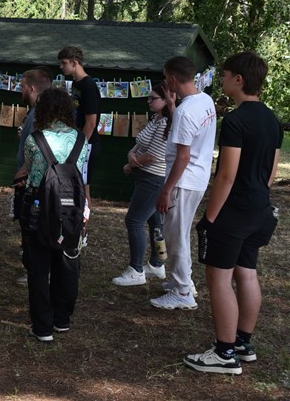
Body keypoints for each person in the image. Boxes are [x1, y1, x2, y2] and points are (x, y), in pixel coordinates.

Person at [184, 52, 282, 375]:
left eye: (225, 75)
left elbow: (226, 176)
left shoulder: (236, 121)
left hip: (234, 212)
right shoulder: (272, 120)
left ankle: (225, 353)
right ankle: (243, 343)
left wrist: (210, 218)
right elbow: (270, 172)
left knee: (220, 279)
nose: (222, 80)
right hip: (259, 208)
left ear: (238, 80)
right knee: (247, 272)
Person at [20, 88, 90, 341]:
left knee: (38, 267)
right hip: (71, 207)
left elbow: (29, 169)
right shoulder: (81, 139)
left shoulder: (34, 139)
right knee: (68, 260)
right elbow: (83, 171)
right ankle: (62, 319)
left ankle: (42, 327)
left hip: (38, 206)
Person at [151, 56, 217, 311]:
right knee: (181, 233)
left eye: (165, 78)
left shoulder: (186, 112)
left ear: (172, 79)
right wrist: (172, 104)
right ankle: (183, 281)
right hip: (197, 179)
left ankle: (183, 292)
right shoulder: (204, 100)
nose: (165, 82)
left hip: (183, 181)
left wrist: (166, 189)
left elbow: (183, 156)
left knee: (175, 236)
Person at [112, 83, 171, 287]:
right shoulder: (155, 119)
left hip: (153, 179)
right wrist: (131, 154)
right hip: (145, 176)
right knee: (155, 222)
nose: (148, 101)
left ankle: (136, 270)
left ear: (165, 100)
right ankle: (157, 263)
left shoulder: (166, 123)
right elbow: (140, 144)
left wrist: (131, 164)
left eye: (153, 98)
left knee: (134, 220)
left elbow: (153, 155)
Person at [12, 68, 53, 286]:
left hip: (31, 183)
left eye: (22, 86)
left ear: (32, 88)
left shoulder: (39, 114)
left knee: (32, 227)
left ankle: (36, 272)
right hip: (30, 180)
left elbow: (40, 149)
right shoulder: (37, 112)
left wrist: (24, 173)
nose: (20, 90)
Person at [58, 46, 100, 206]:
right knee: (74, 185)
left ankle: (84, 220)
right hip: (77, 141)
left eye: (64, 63)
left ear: (75, 62)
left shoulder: (88, 86)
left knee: (83, 186)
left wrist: (79, 148)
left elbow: (91, 123)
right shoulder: (76, 83)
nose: (61, 67)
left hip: (87, 145)